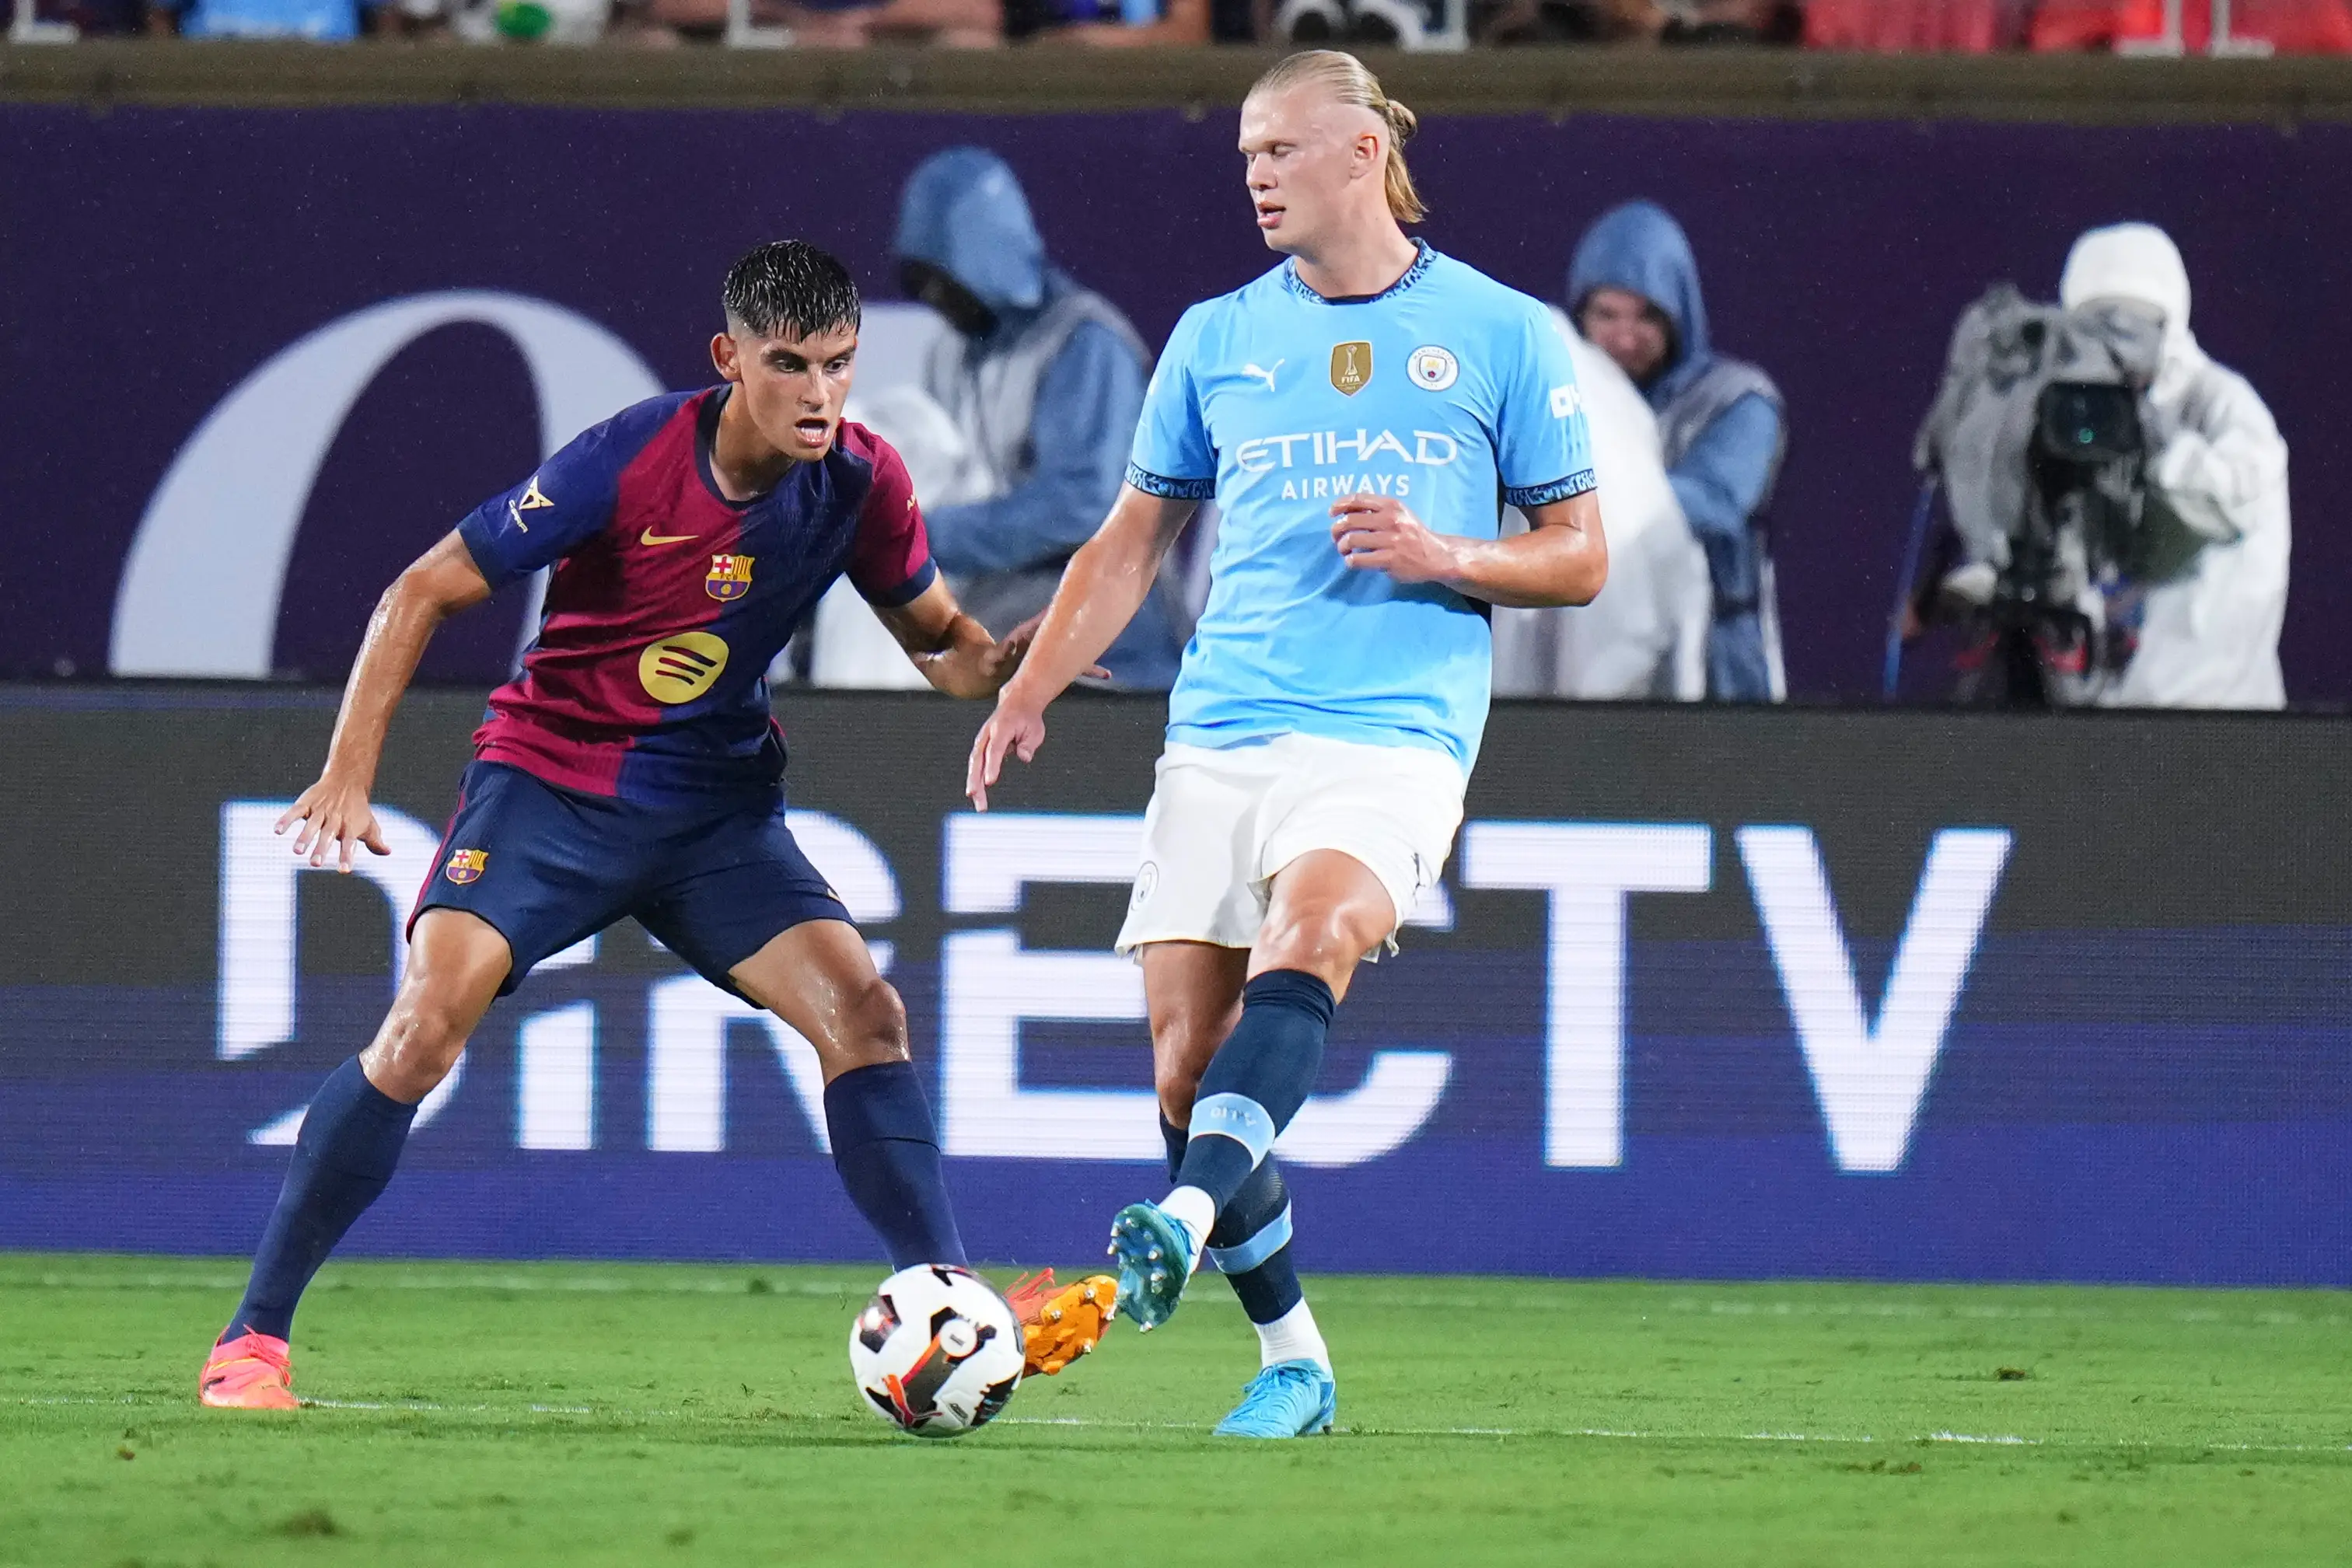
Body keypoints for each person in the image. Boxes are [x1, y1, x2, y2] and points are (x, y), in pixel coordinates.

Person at [197, 242, 1114, 1411]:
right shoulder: (626, 460)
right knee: (426, 1025)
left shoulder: (862, 481)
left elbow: (940, 650)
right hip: (551, 785)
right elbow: (422, 588)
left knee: (867, 1016)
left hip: (713, 815)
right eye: (790, 365)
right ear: (729, 359)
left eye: (839, 364)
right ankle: (253, 1342)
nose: (820, 393)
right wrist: (347, 772)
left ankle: (949, 1303)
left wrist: (1006, 656)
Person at [966, 50, 1604, 1438]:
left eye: (1279, 150)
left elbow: (1582, 556)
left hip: (1392, 731)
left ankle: (1179, 1221)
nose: (1254, 174)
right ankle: (1294, 1360)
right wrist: (1031, 686)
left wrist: (1447, 552)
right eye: (1246, 154)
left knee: (1310, 937)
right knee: (1188, 1072)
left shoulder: (1499, 332)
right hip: (1222, 726)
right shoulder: (1214, 336)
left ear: (1361, 153)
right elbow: (1132, 542)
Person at [894, 147, 1183, 690]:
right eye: (920, 280)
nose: (933, 297)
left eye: (941, 275)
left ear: (982, 252)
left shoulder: (1082, 342)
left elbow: (1083, 505)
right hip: (998, 616)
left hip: (1117, 643)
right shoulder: (946, 355)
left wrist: (929, 535)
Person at [2058, 222, 2290, 708]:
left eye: (2130, 326)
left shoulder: (2218, 402)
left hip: (2218, 721)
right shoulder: (2084, 427)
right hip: (2109, 730)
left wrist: (2157, 447)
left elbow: (2238, 490)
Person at [1568, 199, 1787, 702]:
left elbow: (1714, 502)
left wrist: (1575, 505)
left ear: (1679, 311)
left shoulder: (1737, 400)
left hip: (1714, 658)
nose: (1624, 336)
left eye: (1645, 316)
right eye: (1606, 314)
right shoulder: (1563, 399)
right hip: (1590, 656)